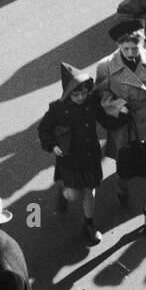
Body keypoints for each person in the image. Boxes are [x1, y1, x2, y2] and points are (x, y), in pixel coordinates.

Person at [94, 17, 146, 235]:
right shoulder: (106, 66)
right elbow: (100, 95)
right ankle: (121, 186)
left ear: (143, 42)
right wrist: (117, 105)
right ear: (118, 46)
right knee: (126, 164)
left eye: (135, 47)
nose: (131, 52)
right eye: (126, 48)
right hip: (125, 124)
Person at [37, 63, 109, 247]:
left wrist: (122, 115)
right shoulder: (57, 109)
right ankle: (64, 194)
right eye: (76, 94)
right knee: (73, 195)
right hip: (70, 160)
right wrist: (52, 145)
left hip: (90, 156)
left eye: (84, 93)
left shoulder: (92, 102)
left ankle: (89, 225)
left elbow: (106, 119)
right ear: (68, 94)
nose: (80, 97)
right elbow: (44, 129)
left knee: (89, 191)